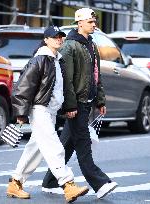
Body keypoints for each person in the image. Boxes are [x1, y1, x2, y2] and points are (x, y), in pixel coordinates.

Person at [6, 25, 89, 203]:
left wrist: (67, 107)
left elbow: (62, 88)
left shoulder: (57, 60)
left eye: (60, 36)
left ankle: (16, 182)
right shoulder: (41, 59)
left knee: (35, 150)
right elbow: (23, 86)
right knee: (54, 147)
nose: (59, 39)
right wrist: (20, 113)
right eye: (55, 37)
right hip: (39, 109)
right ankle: (68, 185)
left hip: (49, 111)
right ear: (46, 40)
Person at [42, 8, 118, 199]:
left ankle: (50, 182)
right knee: (83, 144)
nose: (94, 24)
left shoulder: (90, 44)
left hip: (87, 101)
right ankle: (100, 183)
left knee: (67, 143)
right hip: (77, 103)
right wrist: (70, 106)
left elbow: (95, 75)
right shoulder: (71, 45)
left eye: (94, 21)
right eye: (90, 22)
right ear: (80, 23)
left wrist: (100, 100)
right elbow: (66, 80)